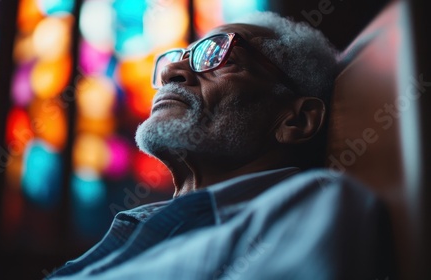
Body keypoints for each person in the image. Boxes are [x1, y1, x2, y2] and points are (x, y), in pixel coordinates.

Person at [48, 12, 394, 280]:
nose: (171, 71)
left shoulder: (310, 207)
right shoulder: (143, 223)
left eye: (217, 55)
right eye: (179, 57)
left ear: (295, 121)